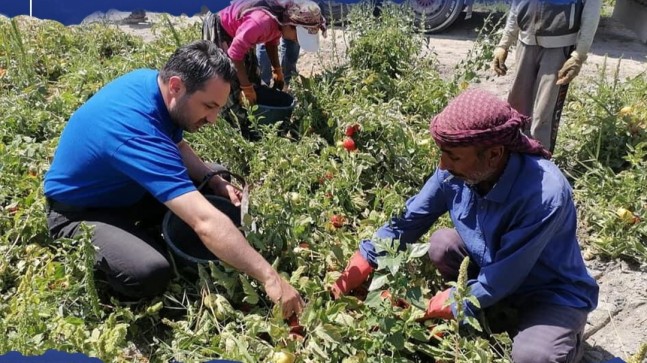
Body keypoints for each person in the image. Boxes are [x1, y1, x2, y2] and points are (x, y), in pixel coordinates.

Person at [330, 89, 599, 363]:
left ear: (493, 154)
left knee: (534, 356)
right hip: (496, 267)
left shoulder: (543, 195)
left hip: (547, 291)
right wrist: (362, 261)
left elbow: (500, 279)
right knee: (442, 244)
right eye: (442, 154)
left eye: (454, 157)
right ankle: (492, 314)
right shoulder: (455, 172)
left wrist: (444, 302)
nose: (443, 165)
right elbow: (408, 221)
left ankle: (565, 341)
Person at [43, 40, 304, 319]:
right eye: (208, 106)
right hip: (79, 211)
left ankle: (155, 223)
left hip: (123, 184)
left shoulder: (154, 86)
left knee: (215, 173)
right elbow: (204, 222)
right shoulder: (137, 133)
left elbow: (176, 145)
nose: (214, 119)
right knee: (149, 272)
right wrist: (270, 278)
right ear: (177, 86)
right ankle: (129, 237)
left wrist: (213, 179)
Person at [491, 0, 601, 152]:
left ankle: (540, 161)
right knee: (517, 105)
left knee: (544, 113)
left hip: (559, 47)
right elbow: (517, 5)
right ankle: (512, 155)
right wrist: (503, 44)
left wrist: (579, 55)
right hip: (526, 42)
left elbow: (591, 14)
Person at [202, 0, 326, 106]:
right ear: (290, 25)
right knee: (226, 81)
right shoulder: (260, 24)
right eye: (297, 38)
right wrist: (246, 87)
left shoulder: (281, 20)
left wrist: (277, 69)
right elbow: (234, 53)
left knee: (252, 76)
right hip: (221, 23)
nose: (296, 41)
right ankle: (225, 115)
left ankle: (251, 109)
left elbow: (271, 42)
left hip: (243, 30)